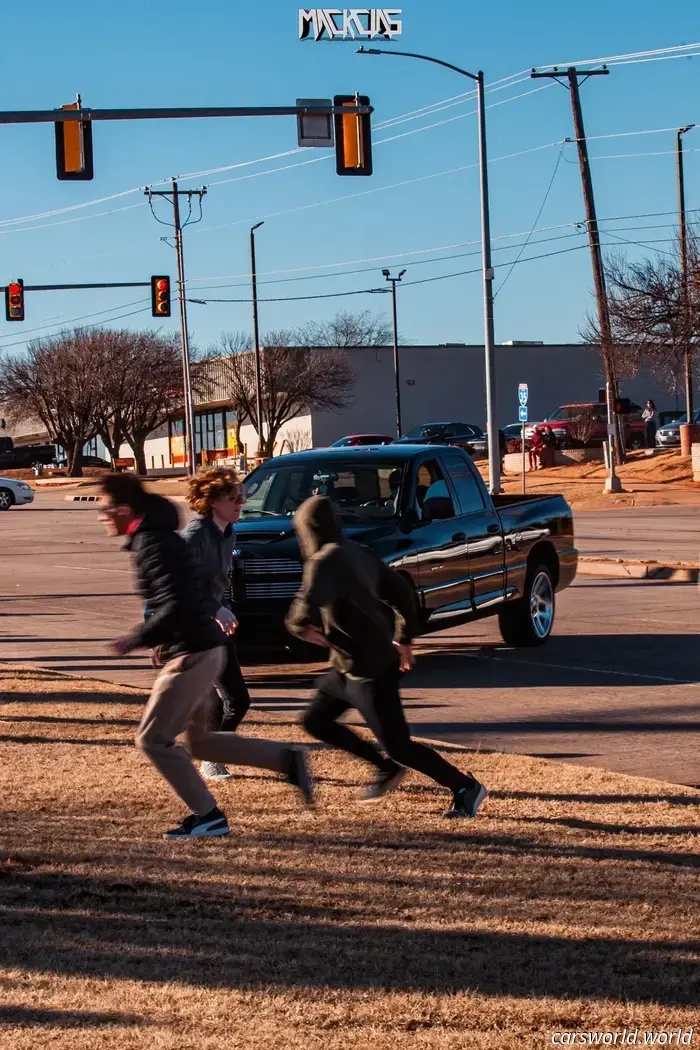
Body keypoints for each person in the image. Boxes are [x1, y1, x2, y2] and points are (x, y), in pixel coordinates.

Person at [98, 473, 313, 840]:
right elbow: (188, 591)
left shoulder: (154, 543)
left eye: (105, 510)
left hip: (193, 651)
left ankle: (208, 816)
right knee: (199, 742)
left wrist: (139, 637)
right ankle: (285, 759)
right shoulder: (165, 536)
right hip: (206, 647)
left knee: (152, 740)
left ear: (124, 509)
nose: (101, 517)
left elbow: (177, 601)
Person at [285, 495, 487, 818]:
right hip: (346, 667)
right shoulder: (358, 552)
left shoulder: (325, 560)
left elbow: (305, 605)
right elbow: (402, 591)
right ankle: (385, 768)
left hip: (370, 668)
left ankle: (464, 786)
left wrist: (299, 626)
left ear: (307, 530)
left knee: (400, 746)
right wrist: (404, 637)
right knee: (315, 720)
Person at [181, 466, 250, 781]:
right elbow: (178, 584)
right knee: (228, 698)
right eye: (232, 498)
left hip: (216, 625)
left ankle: (210, 753)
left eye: (241, 497)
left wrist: (225, 607)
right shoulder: (195, 535)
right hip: (193, 627)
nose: (239, 504)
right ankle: (210, 758)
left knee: (235, 699)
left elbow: (219, 581)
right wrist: (214, 609)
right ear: (210, 501)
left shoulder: (228, 531)